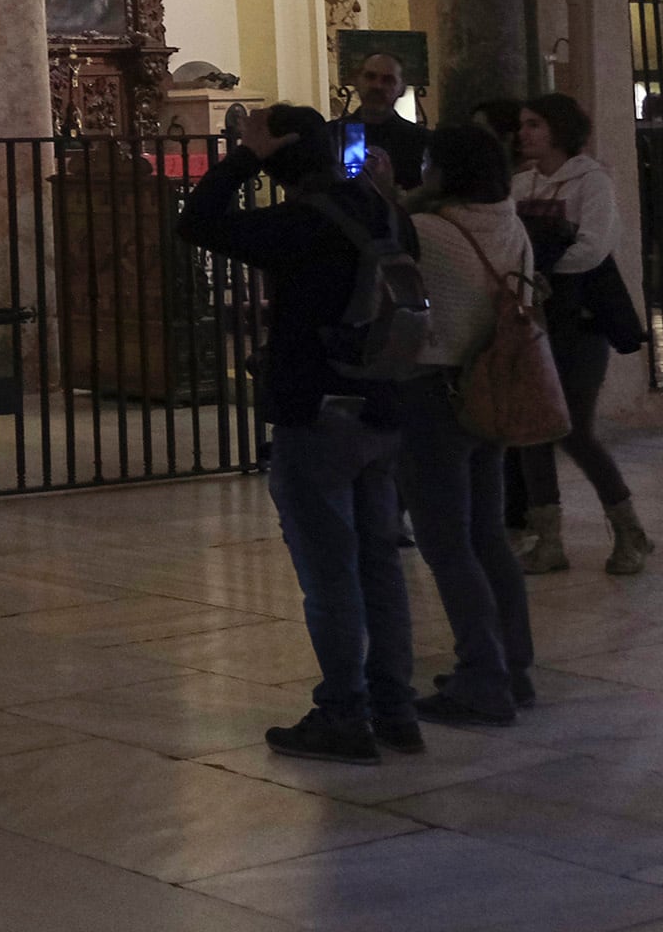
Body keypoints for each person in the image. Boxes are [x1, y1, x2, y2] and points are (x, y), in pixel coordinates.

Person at [179, 104, 421, 763]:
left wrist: (242, 158)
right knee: (379, 562)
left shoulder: (299, 221)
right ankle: (395, 705)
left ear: (278, 160)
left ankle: (344, 713)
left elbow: (196, 222)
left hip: (318, 410)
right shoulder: (384, 209)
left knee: (331, 571)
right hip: (381, 404)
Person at [397, 126, 540, 727]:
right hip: (494, 388)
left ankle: (482, 678)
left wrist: (391, 196)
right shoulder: (512, 224)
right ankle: (513, 666)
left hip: (436, 393)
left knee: (446, 543)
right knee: (486, 536)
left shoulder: (430, 230)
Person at [514, 92, 651, 576]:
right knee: (531, 426)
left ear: (558, 128)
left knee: (573, 429)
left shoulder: (591, 181)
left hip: (579, 318)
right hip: (533, 319)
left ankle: (629, 528)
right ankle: (547, 538)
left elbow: (594, 246)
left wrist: (540, 272)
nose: (525, 132)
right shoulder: (520, 185)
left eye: (534, 124)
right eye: (523, 124)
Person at [344, 52, 430, 192]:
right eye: (370, 77)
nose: (377, 86)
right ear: (356, 82)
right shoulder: (330, 136)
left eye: (388, 80)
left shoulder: (422, 141)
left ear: (402, 88)